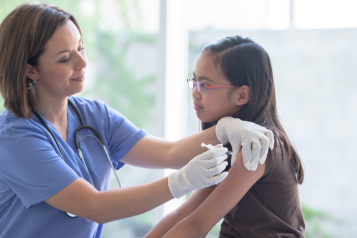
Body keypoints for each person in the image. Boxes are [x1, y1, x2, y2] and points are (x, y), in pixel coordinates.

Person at [0, 4, 274, 238]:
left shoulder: (94, 115)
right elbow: (95, 207)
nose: (82, 63)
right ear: (30, 69)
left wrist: (225, 129)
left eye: (80, 48)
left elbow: (169, 152)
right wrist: (181, 182)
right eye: (65, 58)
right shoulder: (14, 138)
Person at [145, 35, 305, 238]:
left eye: (204, 85)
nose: (195, 92)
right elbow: (183, 214)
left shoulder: (258, 145)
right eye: (194, 81)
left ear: (242, 95)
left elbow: (195, 226)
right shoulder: (232, 145)